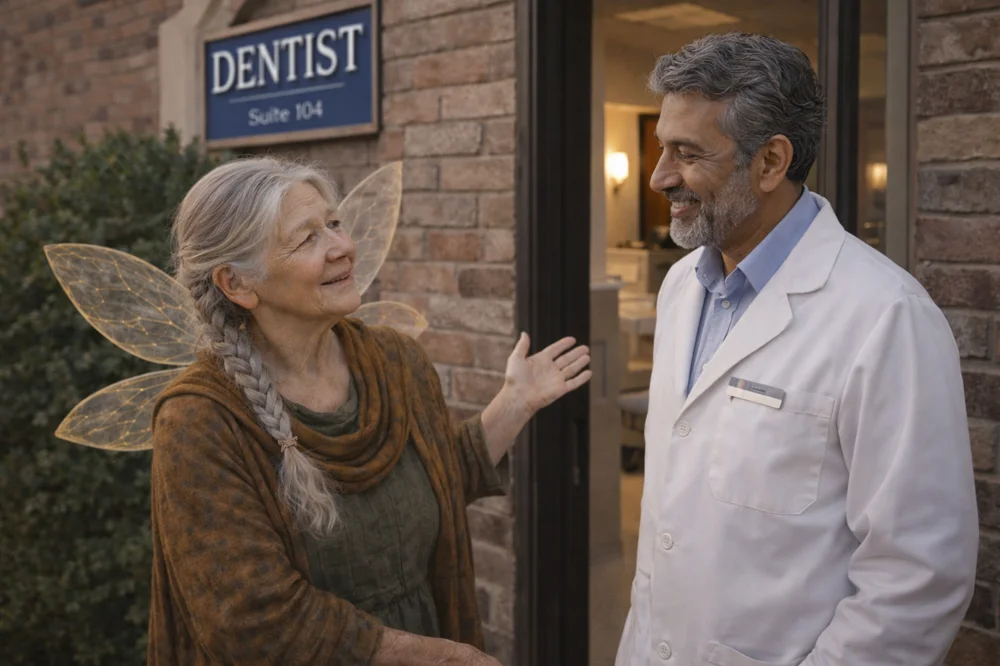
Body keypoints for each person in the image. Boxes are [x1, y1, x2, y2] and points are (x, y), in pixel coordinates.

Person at [615, 33, 979, 666]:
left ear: (771, 162)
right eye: (662, 149)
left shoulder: (886, 316)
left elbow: (918, 576)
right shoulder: (681, 287)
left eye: (687, 153)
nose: (659, 176)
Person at [147, 157, 592, 665]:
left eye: (334, 223)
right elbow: (255, 621)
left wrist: (515, 402)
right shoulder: (200, 422)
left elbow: (436, 484)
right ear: (237, 284)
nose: (343, 247)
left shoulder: (396, 362)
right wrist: (434, 657)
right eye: (307, 238)